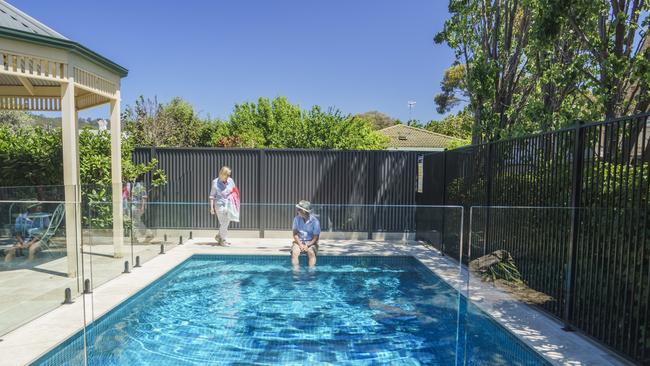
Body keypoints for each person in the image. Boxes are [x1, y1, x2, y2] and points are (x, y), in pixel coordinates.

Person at [209, 166, 236, 246]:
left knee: (225, 223)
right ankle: (223, 240)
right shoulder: (215, 182)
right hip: (219, 205)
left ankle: (219, 236)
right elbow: (212, 196)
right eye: (227, 175)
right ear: (222, 174)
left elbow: (234, 191)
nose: (228, 177)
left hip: (229, 204)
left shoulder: (230, 181)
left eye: (229, 175)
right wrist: (211, 208)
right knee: (225, 222)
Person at [291, 200, 320, 267]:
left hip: (311, 242)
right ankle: (296, 273)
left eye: (299, 209)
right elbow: (295, 234)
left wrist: (308, 245)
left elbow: (316, 237)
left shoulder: (315, 221)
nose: (297, 211)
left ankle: (311, 272)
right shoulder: (296, 219)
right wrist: (300, 244)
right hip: (299, 241)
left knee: (311, 253)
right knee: (294, 253)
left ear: (304, 211)